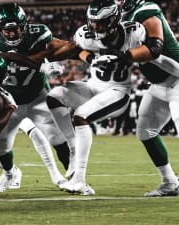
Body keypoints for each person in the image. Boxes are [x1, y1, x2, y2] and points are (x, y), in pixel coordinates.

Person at [46, 0, 147, 195]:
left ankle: (80, 180)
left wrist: (124, 56)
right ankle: (73, 146)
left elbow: (150, 51)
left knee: (81, 116)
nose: (95, 27)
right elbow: (77, 49)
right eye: (93, 22)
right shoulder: (86, 34)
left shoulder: (133, 32)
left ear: (114, 20)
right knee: (55, 95)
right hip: (93, 86)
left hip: (118, 91)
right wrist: (91, 58)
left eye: (100, 23)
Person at [0, 3, 69, 192]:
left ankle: (70, 178)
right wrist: (41, 65)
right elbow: (7, 56)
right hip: (7, 101)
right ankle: (9, 174)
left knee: (58, 139)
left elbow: (59, 47)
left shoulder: (39, 34)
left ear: (24, 25)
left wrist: (58, 61)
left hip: (37, 96)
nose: (11, 34)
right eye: (6, 30)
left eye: (15, 29)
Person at [118, 0, 179, 196]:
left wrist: (126, 56)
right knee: (145, 131)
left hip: (177, 77)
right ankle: (170, 182)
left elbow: (155, 48)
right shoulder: (123, 16)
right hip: (159, 84)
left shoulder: (146, 10)